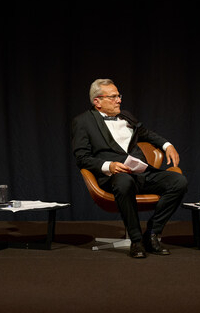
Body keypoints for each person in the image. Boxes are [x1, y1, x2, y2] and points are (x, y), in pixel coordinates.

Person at [72, 79, 188, 258]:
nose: (118, 100)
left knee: (178, 181)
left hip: (141, 173)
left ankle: (151, 234)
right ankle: (136, 240)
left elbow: (147, 134)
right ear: (98, 101)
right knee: (124, 182)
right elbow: (81, 157)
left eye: (119, 96)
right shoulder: (83, 122)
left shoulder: (126, 115)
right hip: (114, 176)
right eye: (113, 97)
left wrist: (167, 145)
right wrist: (108, 166)